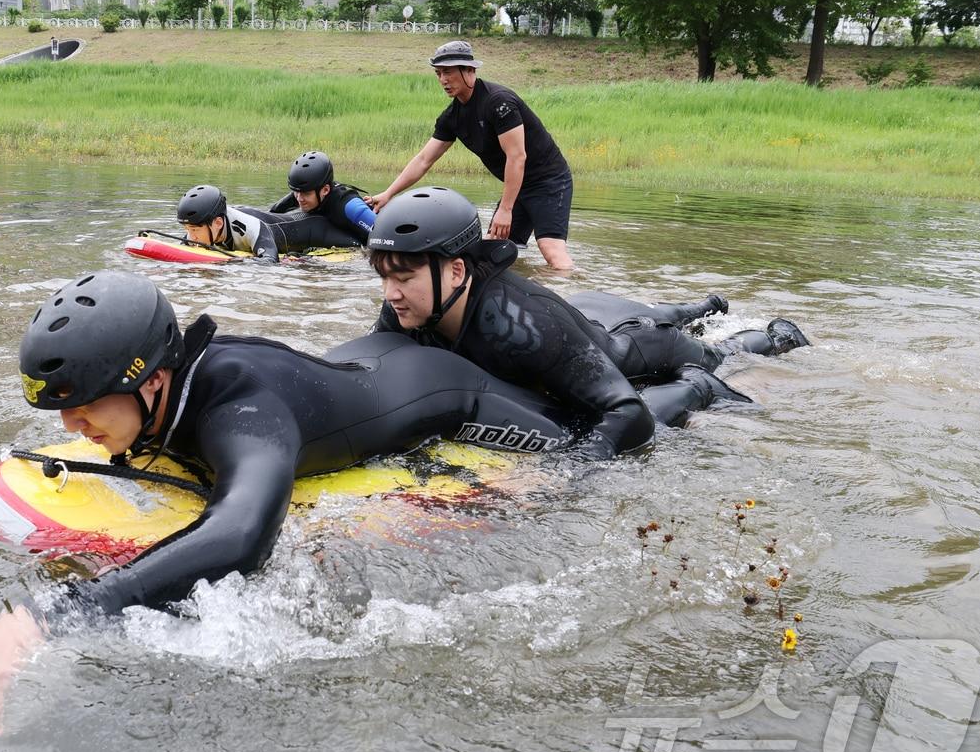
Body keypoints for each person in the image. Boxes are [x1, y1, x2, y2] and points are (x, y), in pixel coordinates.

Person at [0, 270, 582, 735]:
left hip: (445, 392)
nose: (70, 427)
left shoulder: (241, 413)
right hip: (368, 358)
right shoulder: (166, 389)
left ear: (152, 380)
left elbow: (243, 535)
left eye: (84, 405)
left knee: (586, 437)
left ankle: (651, 365)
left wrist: (45, 619)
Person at [366, 187, 812, 450]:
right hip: (588, 324)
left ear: (456, 271)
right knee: (656, 317)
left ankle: (777, 337)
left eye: (403, 278)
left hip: (638, 352)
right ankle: (697, 308)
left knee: (722, 355)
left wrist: (569, 472)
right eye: (384, 278)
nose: (391, 294)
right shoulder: (407, 305)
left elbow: (628, 412)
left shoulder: (523, 328)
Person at [367, 41, 577, 271]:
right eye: (438, 73)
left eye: (448, 72)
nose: (443, 80)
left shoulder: (499, 103)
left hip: (548, 181)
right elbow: (424, 160)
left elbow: (517, 157)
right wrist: (388, 193)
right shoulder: (452, 117)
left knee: (551, 251)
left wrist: (505, 209)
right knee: (493, 249)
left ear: (469, 70)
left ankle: (574, 289)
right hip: (516, 185)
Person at [177, 184, 361, 263]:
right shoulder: (204, 224)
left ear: (218, 223)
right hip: (280, 220)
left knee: (361, 248)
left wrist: (233, 264)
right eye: (187, 229)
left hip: (317, 231)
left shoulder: (249, 226)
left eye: (194, 230)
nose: (191, 237)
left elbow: (269, 261)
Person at [268, 151, 375, 242]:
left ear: (325, 190)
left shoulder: (350, 207)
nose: (299, 199)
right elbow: (271, 213)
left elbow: (383, 234)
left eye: (306, 193)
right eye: (296, 192)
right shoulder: (304, 192)